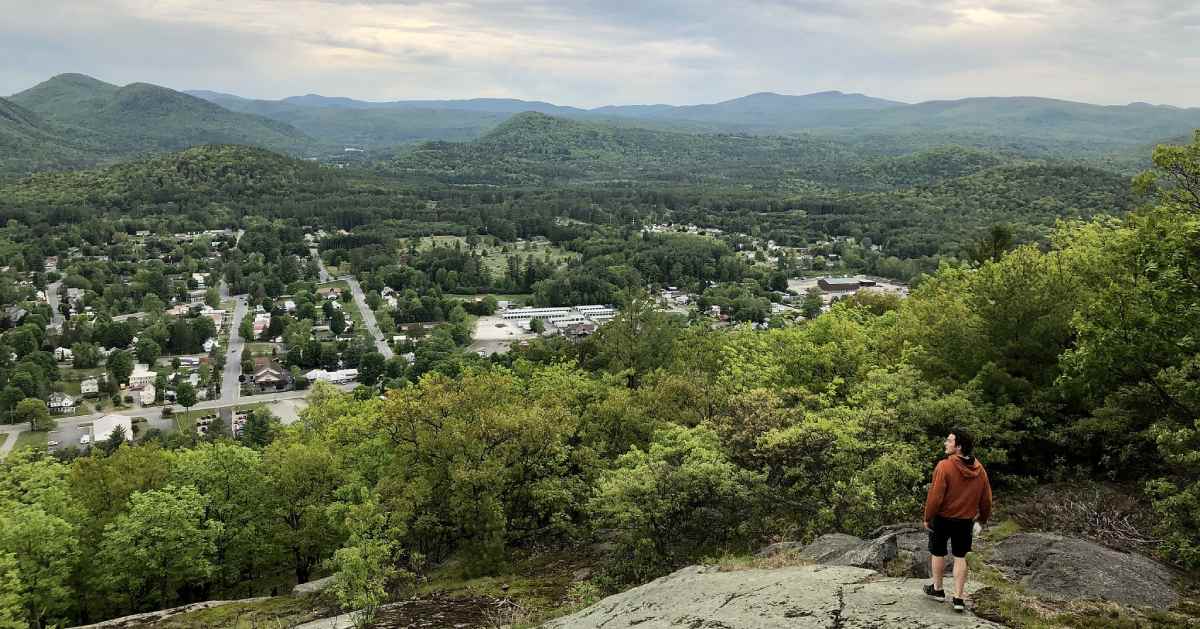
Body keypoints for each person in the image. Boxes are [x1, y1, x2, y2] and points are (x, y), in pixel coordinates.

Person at [922, 427, 992, 612]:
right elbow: (986, 499)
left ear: (959, 446)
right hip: (965, 521)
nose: (946, 443)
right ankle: (958, 598)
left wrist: (928, 517)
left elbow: (935, 497)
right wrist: (981, 519)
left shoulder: (944, 466)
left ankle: (937, 590)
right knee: (961, 556)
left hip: (943, 518)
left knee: (938, 552)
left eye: (949, 441)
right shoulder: (980, 469)